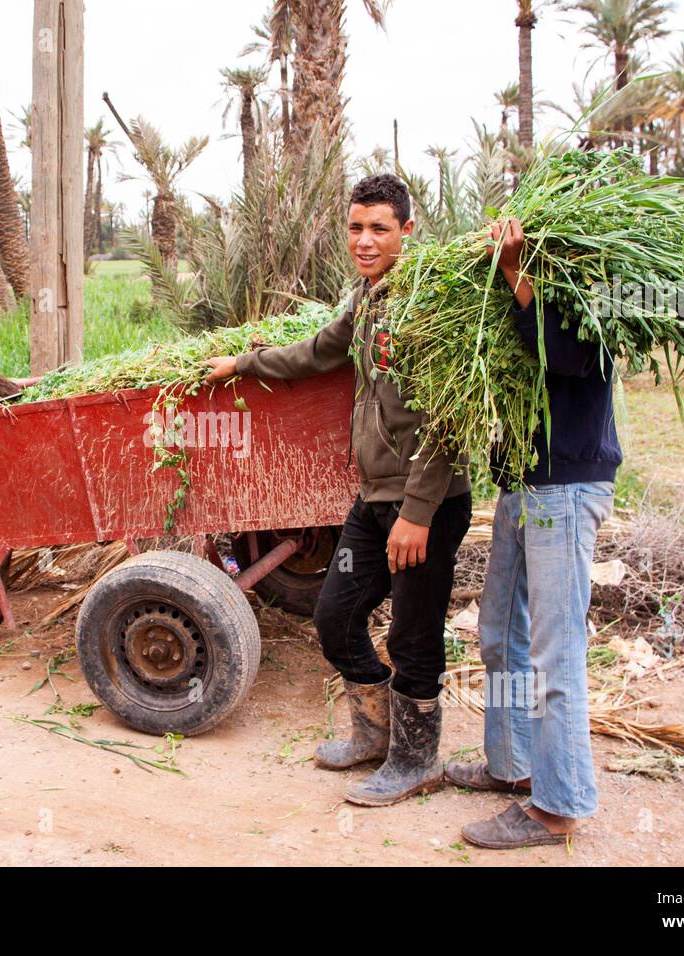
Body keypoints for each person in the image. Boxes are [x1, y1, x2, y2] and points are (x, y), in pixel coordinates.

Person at [204, 174, 472, 807]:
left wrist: (418, 512)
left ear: (408, 232)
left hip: (423, 507)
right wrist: (243, 363)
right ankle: (376, 733)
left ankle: (417, 760)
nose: (365, 239)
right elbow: (320, 351)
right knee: (334, 617)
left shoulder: (426, 307)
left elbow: (449, 418)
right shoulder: (368, 299)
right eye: (356, 227)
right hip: (373, 499)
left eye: (380, 228)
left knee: (413, 635)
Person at [447, 216, 622, 849]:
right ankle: (514, 763)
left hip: (566, 488)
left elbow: (566, 356)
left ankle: (559, 806)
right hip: (525, 483)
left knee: (555, 651)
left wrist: (516, 272)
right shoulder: (535, 282)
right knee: (501, 631)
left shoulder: (598, 287)